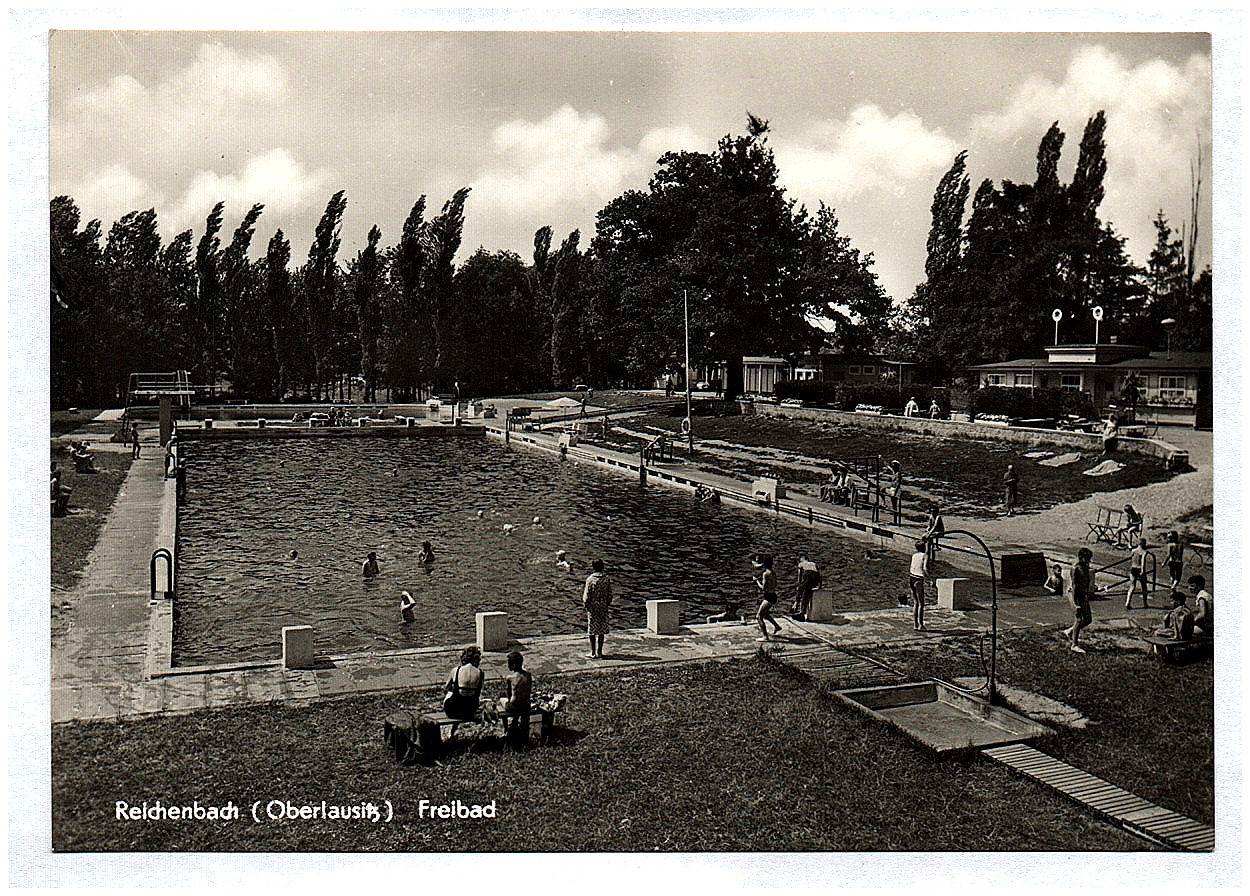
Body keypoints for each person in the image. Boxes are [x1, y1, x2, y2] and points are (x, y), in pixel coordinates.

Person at [498, 650, 534, 748]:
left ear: (513, 665)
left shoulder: (511, 677)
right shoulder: (528, 675)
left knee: (502, 699)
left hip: (515, 706)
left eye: (509, 664)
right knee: (520, 704)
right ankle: (516, 723)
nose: (508, 666)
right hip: (526, 705)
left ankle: (506, 729)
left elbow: (510, 696)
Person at [442, 646, 484, 721]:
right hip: (470, 712)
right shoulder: (480, 673)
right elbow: (479, 692)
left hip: (453, 711)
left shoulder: (456, 670)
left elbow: (446, 689)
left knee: (450, 692)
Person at [1064, 547, 1094, 653]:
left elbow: (1087, 582)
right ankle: (1074, 644)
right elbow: (1074, 586)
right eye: (1087, 558)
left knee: (1088, 619)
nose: (1089, 561)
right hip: (1075, 595)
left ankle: (1070, 631)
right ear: (1081, 557)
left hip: (1083, 595)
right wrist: (1076, 603)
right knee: (1079, 619)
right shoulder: (1075, 568)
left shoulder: (1086, 567)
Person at [582, 559, 613, 659]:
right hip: (603, 607)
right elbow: (610, 595)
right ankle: (600, 651)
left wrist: (586, 606)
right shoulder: (607, 579)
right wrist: (606, 604)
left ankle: (593, 652)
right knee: (601, 630)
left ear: (593, 567)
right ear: (602, 566)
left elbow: (586, 596)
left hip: (593, 607)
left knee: (592, 630)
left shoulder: (590, 579)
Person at [752, 554, 783, 642]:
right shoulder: (773, 572)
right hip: (773, 595)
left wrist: (756, 581)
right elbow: (775, 584)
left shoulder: (765, 574)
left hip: (769, 597)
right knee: (765, 614)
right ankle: (777, 626)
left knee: (758, 616)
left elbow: (763, 588)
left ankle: (765, 636)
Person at [793, 554, 821, 620]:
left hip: (808, 575)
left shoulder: (801, 564)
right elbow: (819, 575)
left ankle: (798, 606)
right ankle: (801, 611)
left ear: (802, 558)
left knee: (802, 590)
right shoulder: (813, 564)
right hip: (815, 579)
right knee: (806, 592)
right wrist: (819, 585)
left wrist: (799, 585)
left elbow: (799, 577)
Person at [1125, 537, 1150, 610]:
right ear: (1144, 544)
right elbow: (1143, 562)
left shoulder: (1133, 550)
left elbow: (1131, 559)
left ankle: (1127, 602)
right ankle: (1145, 603)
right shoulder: (1144, 552)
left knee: (1132, 587)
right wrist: (1143, 571)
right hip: (1139, 569)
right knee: (1144, 587)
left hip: (1133, 568)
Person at [908, 540, 928, 631]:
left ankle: (915, 624)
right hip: (919, 579)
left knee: (916, 602)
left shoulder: (914, 555)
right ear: (924, 547)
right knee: (921, 604)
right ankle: (921, 625)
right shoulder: (925, 555)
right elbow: (924, 569)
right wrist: (930, 579)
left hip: (911, 578)